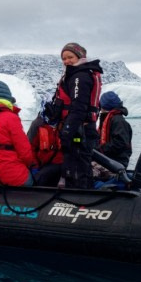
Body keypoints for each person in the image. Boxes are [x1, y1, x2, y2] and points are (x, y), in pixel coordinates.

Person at [47, 42, 103, 189]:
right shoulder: (80, 73)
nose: (67, 61)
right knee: (80, 163)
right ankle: (84, 192)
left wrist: (67, 130)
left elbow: (79, 107)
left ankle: (79, 195)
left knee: (77, 165)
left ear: (79, 56)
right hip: (80, 128)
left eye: (70, 57)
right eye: (64, 58)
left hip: (79, 129)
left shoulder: (79, 76)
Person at [97, 90, 133, 168]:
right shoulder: (109, 119)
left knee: (85, 169)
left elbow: (120, 144)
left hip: (115, 163)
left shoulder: (118, 121)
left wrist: (99, 149)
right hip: (107, 159)